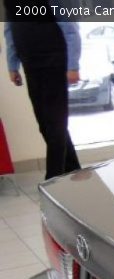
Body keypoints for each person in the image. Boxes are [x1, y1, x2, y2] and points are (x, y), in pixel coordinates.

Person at [3, 5, 82, 179]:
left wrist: (73, 66)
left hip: (54, 61)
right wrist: (12, 64)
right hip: (30, 63)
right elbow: (10, 28)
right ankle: (74, 170)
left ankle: (53, 178)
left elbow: (70, 26)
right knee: (45, 124)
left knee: (54, 123)